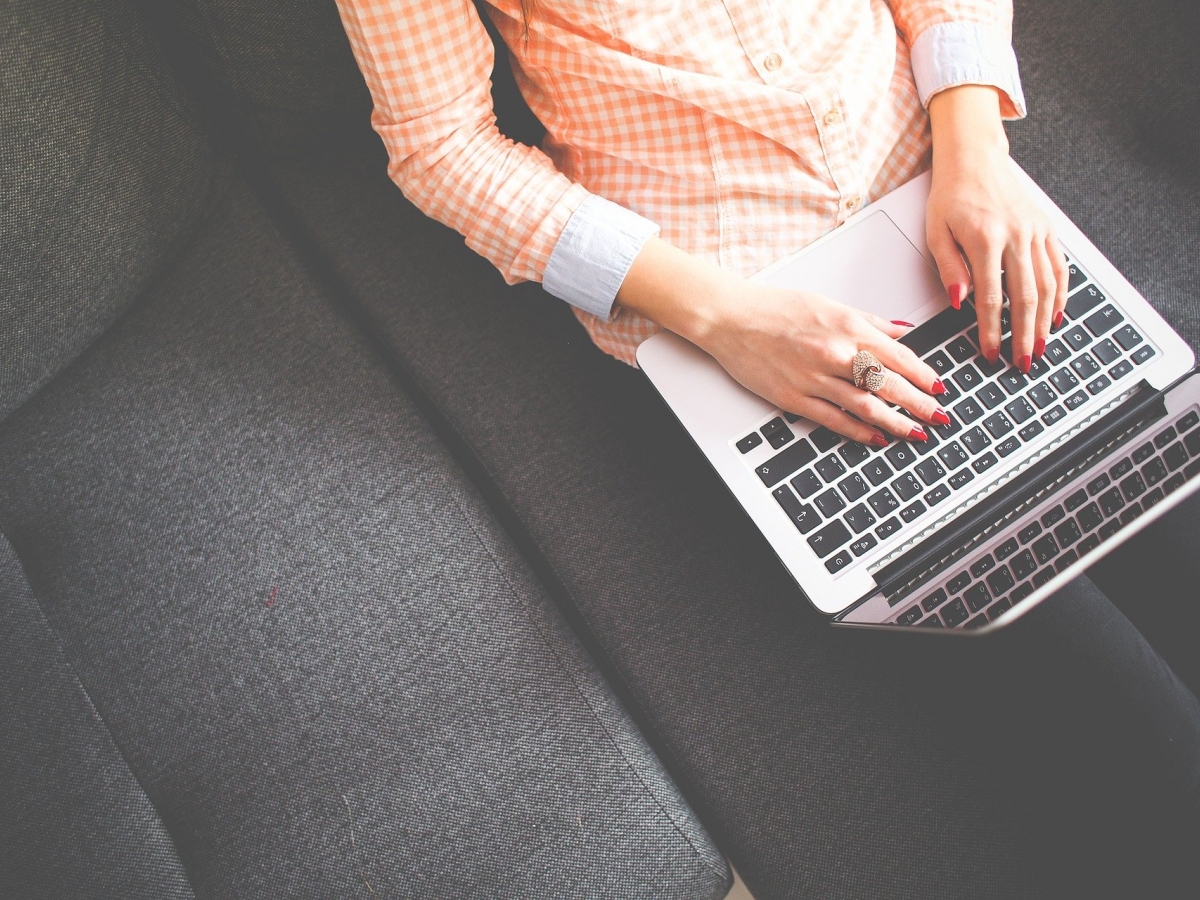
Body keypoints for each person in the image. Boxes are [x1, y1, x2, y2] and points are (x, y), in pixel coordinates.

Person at [334, 0, 1200, 890]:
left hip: (947, 193)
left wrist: (976, 148)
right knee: (1139, 746)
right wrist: (728, 318)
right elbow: (443, 145)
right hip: (745, 317)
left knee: (1168, 490)